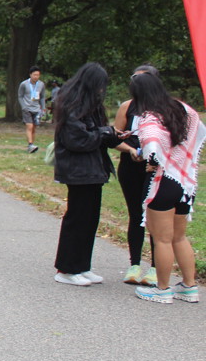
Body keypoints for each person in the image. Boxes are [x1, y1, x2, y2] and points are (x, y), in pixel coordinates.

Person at [129, 72, 204, 304]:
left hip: (163, 182)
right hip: (185, 182)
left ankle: (162, 289)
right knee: (179, 237)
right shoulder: (185, 110)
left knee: (161, 238)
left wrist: (149, 157)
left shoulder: (150, 117)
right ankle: (189, 287)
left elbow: (152, 145)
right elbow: (198, 134)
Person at [51, 62, 124, 286]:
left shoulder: (91, 105)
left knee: (90, 219)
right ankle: (66, 269)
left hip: (94, 169)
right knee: (77, 218)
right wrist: (104, 133)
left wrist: (113, 135)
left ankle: (82, 266)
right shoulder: (71, 105)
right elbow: (77, 140)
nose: (102, 89)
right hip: (78, 170)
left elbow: (96, 134)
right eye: (100, 85)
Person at [112, 65, 158, 286]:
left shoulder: (163, 107)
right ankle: (135, 264)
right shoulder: (127, 107)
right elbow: (114, 138)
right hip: (131, 165)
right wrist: (130, 149)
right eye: (134, 79)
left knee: (155, 216)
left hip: (155, 169)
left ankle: (156, 267)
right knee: (135, 214)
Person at [18, 66, 46, 153]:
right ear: (30, 75)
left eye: (38, 75)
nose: (36, 77)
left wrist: (43, 107)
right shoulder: (24, 84)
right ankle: (30, 144)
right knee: (29, 126)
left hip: (37, 109)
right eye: (34, 75)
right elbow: (20, 96)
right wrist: (23, 106)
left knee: (34, 128)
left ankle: (32, 146)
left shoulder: (41, 84)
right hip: (27, 108)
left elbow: (42, 97)